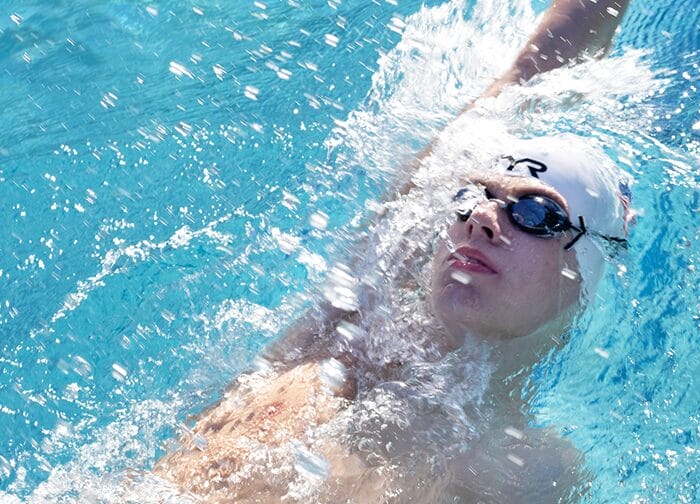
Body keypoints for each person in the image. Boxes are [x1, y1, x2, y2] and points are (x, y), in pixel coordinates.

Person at [151, 0, 634, 502]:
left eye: (534, 213)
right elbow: (517, 83)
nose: (484, 219)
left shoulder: (532, 475)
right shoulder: (344, 329)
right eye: (472, 196)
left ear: (581, 270)